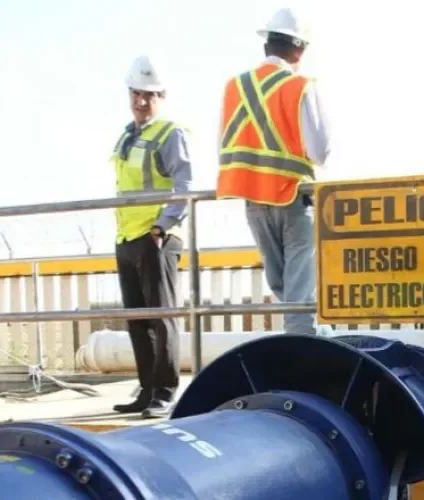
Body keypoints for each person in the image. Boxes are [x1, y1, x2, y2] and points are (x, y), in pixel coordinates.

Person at [216, 7, 331, 335]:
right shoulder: (299, 86)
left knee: (286, 290)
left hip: (252, 200)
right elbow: (321, 152)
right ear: (300, 48)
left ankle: (321, 348)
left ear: (267, 43)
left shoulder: (233, 87)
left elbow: (225, 144)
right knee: (299, 297)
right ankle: (313, 366)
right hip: (293, 198)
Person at [110, 55, 193, 419]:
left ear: (161, 96)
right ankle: (146, 388)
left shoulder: (169, 133)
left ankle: (165, 391)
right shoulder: (127, 136)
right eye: (136, 93)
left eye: (148, 94)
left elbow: (184, 185)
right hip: (128, 237)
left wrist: (162, 226)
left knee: (162, 317)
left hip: (157, 237)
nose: (141, 101)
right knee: (138, 319)